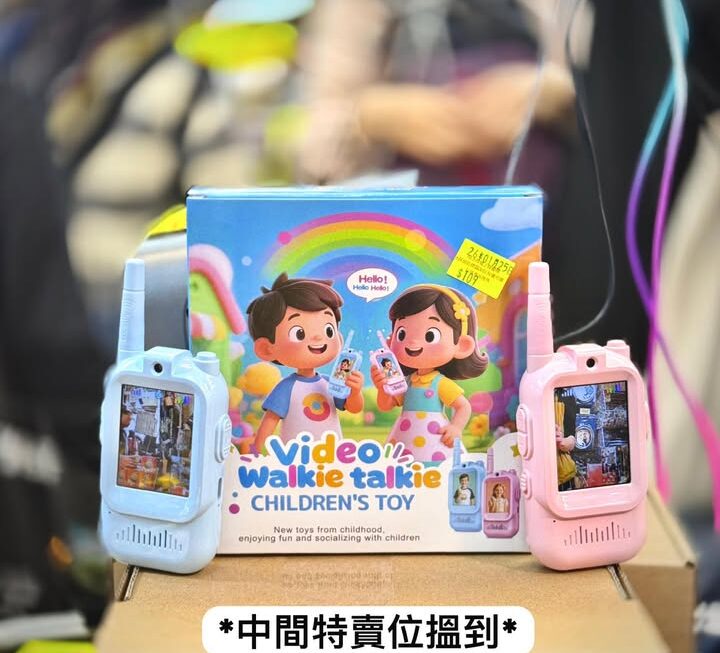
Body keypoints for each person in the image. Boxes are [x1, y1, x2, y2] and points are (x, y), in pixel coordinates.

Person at [246, 273, 365, 450]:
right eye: (299, 333)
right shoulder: (287, 388)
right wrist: (255, 451)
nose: (318, 337)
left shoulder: (331, 383)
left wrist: (355, 392)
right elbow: (270, 420)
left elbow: (353, 408)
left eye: (329, 330)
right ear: (267, 348)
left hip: (332, 458)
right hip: (295, 460)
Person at [372, 284, 487, 462]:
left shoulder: (440, 383)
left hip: (434, 439)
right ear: (390, 340)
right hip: (404, 438)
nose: (413, 343)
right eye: (401, 334)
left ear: (462, 345)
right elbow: (386, 405)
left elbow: (463, 406)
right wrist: (382, 388)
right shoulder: (407, 381)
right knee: (400, 467)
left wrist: (456, 428)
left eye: (430, 335)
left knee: (436, 469)